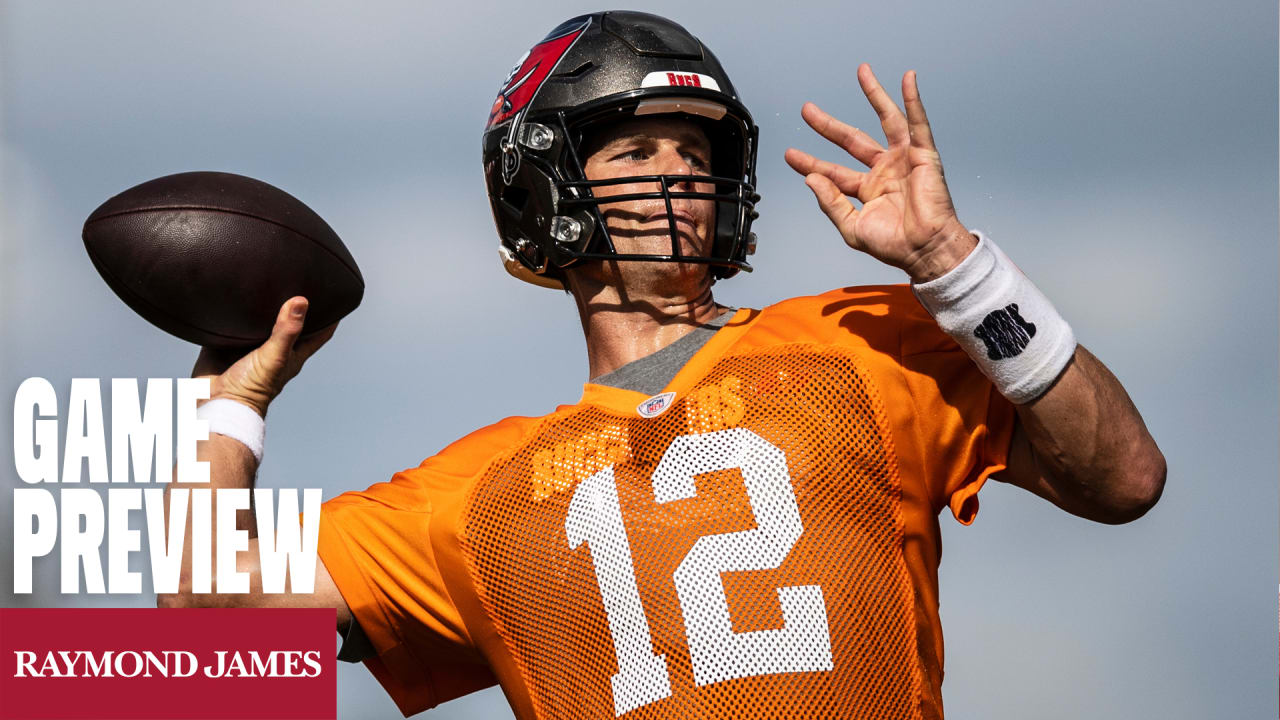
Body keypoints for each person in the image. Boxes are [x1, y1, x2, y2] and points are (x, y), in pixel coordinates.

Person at [160, 11, 1165, 719]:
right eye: (637, 153)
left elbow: (1123, 478)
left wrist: (957, 267)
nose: (679, 171)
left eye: (694, 152)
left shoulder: (866, 340)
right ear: (545, 186)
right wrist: (225, 406)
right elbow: (209, 618)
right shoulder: (477, 495)